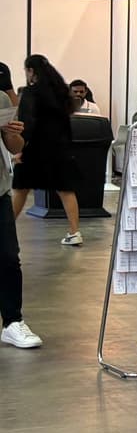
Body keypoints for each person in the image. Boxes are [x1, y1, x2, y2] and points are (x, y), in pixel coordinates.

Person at [10, 55, 82, 244]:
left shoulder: (31, 92)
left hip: (34, 149)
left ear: (31, 71)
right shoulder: (61, 92)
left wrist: (19, 149)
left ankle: (5, 230)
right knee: (65, 190)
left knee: (20, 189)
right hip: (59, 149)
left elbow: (27, 123)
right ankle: (75, 232)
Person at [1, 81, 40, 349]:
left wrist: (11, 132)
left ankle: (13, 322)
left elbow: (15, 147)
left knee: (7, 257)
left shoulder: (1, 99)